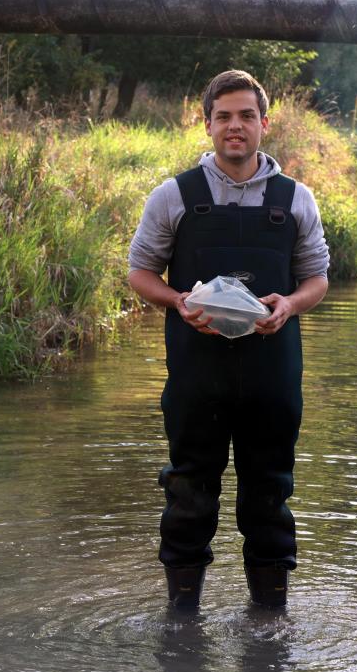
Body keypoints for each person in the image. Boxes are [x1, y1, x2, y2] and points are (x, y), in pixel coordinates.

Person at [127, 70, 329, 610]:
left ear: (265, 124)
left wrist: (289, 303)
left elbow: (317, 279)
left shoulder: (296, 199)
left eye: (245, 116)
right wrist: (178, 302)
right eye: (223, 117)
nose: (234, 127)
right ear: (207, 125)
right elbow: (140, 273)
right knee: (188, 497)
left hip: (273, 378)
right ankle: (182, 625)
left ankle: (269, 627)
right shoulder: (174, 196)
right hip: (198, 377)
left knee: (269, 497)